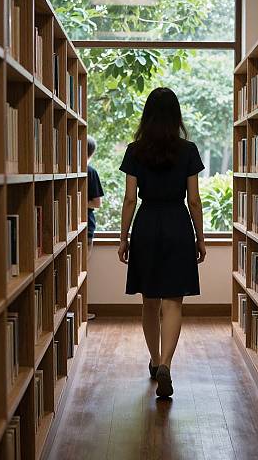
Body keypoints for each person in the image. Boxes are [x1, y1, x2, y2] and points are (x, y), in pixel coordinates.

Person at [117, 87, 206, 398]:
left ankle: (154, 361)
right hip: (178, 224)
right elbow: (194, 200)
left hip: (146, 225)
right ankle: (167, 363)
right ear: (176, 115)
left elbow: (130, 199)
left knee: (149, 300)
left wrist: (123, 236)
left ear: (147, 114)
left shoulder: (135, 150)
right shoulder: (188, 150)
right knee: (173, 302)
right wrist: (200, 238)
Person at [87, 135, 104, 321]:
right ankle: (80, 311)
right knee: (81, 270)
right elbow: (97, 203)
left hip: (71, 228)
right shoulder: (90, 171)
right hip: (85, 228)